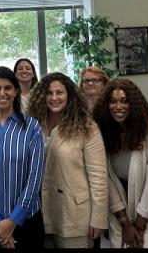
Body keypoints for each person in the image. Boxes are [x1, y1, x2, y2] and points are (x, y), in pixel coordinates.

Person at [28, 72, 108, 248]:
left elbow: (99, 177)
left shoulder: (86, 127)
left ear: (69, 95)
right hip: (41, 214)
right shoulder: (33, 125)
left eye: (60, 93)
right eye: (49, 93)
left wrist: (98, 218)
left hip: (75, 217)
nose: (54, 98)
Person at [0, 66, 45, 250]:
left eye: (8, 88)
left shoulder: (32, 127)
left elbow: (35, 178)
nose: (2, 93)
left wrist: (13, 221)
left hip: (26, 221)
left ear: (16, 92)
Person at [93, 78, 148, 248]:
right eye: (113, 101)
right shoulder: (101, 131)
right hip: (117, 209)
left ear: (134, 103)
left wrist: (139, 225)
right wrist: (125, 223)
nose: (118, 107)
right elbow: (106, 179)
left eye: (124, 101)